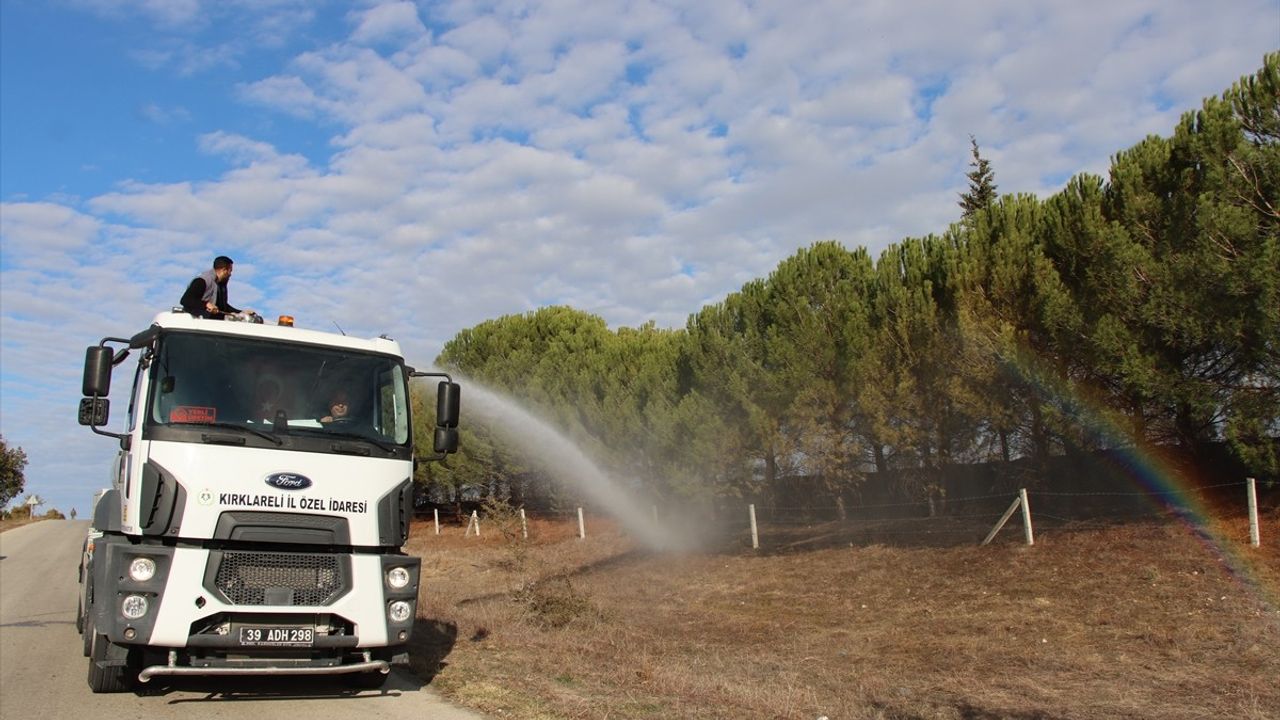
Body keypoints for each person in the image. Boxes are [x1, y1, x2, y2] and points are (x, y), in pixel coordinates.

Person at [180, 256, 252, 319]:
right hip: (197, 324)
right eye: (230, 271)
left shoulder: (220, 285)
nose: (230, 274)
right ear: (224, 270)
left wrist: (241, 312)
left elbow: (223, 307)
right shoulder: (202, 280)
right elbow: (186, 300)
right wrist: (206, 304)